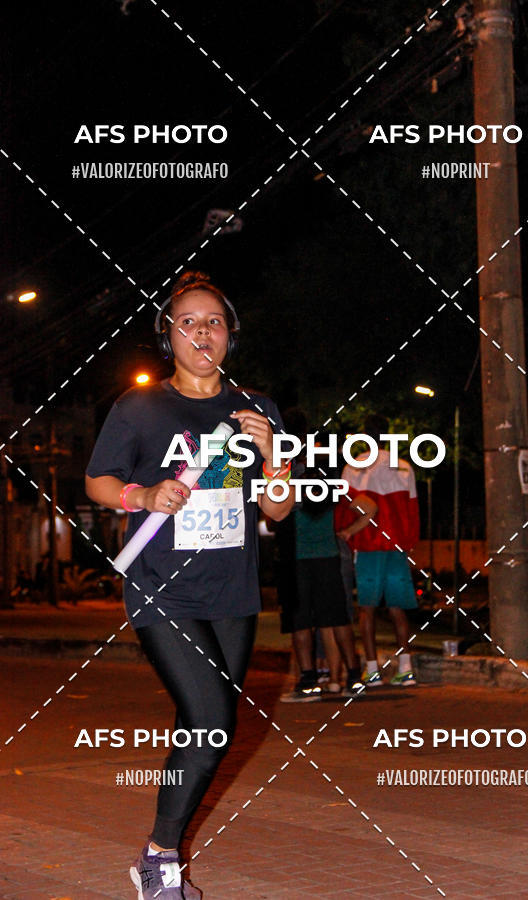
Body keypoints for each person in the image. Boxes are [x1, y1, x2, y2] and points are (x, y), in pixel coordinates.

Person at [85, 271, 294, 899]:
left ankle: (158, 853)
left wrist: (276, 454)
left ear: (230, 334)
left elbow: (279, 510)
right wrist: (143, 493)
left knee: (207, 727)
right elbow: (98, 481)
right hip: (161, 587)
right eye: (188, 321)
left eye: (214, 322)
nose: (202, 331)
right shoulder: (139, 407)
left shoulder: (258, 410)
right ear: (168, 335)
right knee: (210, 721)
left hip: (232, 588)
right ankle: (159, 860)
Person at [272, 411, 362, 701]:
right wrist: (346, 531)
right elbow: (360, 503)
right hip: (327, 555)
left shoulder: (281, 471)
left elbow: (274, 515)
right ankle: (352, 677)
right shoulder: (328, 471)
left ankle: (309, 681)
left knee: (300, 623)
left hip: (295, 557)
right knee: (336, 620)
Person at [335, 414, 420, 687]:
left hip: (368, 545)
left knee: (367, 610)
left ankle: (371, 671)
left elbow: (346, 506)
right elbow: (412, 511)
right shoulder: (404, 466)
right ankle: (405, 668)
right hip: (396, 546)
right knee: (397, 608)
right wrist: (408, 545)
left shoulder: (354, 466)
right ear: (387, 433)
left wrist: (348, 537)